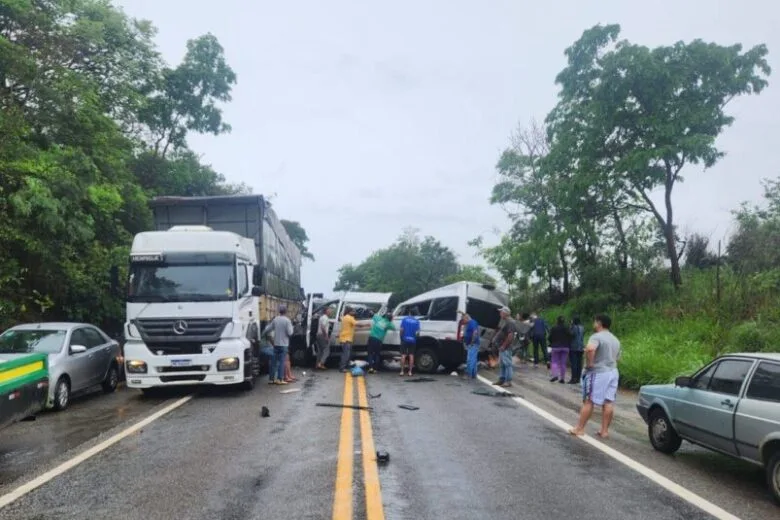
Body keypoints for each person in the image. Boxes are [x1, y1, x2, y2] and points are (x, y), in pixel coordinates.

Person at [569, 314, 622, 438]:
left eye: (595, 322)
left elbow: (590, 349)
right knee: (608, 401)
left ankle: (579, 429)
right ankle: (604, 431)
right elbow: (618, 357)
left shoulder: (596, 337)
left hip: (598, 372)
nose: (594, 324)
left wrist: (590, 364)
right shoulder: (615, 339)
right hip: (613, 371)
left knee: (589, 400)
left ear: (599, 323)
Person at [262, 304, 294, 385]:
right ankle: (280, 379)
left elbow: (268, 329)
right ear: (285, 311)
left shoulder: (275, 319)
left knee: (273, 362)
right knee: (282, 362)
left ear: (279, 311)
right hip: (284, 345)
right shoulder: (287, 320)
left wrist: (262, 334)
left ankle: (271, 379)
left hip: (276, 344)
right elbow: (290, 333)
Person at [492, 306, 517, 388]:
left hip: (506, 347)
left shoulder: (510, 322)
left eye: (501, 312)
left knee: (507, 364)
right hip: (502, 346)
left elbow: (510, 336)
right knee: (502, 364)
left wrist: (503, 346)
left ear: (505, 313)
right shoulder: (506, 321)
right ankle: (502, 379)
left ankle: (508, 381)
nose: (500, 314)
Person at [548, 316, 571, 384]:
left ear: (557, 321)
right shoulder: (566, 328)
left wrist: (552, 342)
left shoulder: (554, 328)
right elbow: (570, 335)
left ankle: (555, 375)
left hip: (556, 347)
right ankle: (562, 378)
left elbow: (549, 337)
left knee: (554, 361)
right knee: (563, 363)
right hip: (565, 347)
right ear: (564, 321)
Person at [399, 307, 421, 377]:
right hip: (412, 340)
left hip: (405, 339)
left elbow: (401, 330)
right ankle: (410, 372)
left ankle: (402, 371)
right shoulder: (417, 321)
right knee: (411, 355)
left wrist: (401, 338)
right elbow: (417, 333)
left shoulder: (404, 319)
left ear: (409, 313)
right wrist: (415, 338)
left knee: (403, 355)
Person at [461, 312, 481, 379]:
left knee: (470, 359)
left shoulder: (472, 322)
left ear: (467, 318)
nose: (463, 322)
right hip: (474, 344)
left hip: (473, 344)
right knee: (474, 359)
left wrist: (472, 342)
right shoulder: (471, 322)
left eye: (463, 320)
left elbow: (475, 332)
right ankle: (473, 374)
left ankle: (468, 374)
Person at [338, 307, 357, 372]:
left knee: (346, 354)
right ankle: (342, 368)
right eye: (353, 311)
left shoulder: (344, 317)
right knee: (346, 354)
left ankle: (345, 366)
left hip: (344, 338)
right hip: (346, 339)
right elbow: (357, 324)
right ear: (350, 312)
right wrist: (367, 325)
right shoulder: (350, 318)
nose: (354, 313)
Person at [568, 316, 585, 384]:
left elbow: (571, 334)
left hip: (574, 347)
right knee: (579, 363)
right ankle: (578, 378)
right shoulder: (582, 327)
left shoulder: (574, 327)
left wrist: (570, 327)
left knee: (574, 363)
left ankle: (573, 378)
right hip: (581, 347)